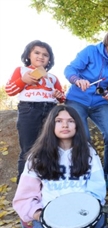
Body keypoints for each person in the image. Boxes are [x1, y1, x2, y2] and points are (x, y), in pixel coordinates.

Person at [13, 105, 108, 228]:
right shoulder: (37, 157)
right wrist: (39, 215)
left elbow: (97, 188)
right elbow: (24, 197)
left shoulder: (89, 153)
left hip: (86, 215)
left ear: (77, 125)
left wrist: (86, 213)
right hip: (48, 217)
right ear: (50, 125)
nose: (65, 125)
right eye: (59, 121)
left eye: (70, 121)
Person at [64, 27, 108, 188]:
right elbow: (70, 69)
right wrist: (77, 80)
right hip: (77, 100)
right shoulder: (91, 51)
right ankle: (87, 174)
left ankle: (107, 175)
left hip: (100, 103)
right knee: (84, 137)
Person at [5, 40, 65, 183]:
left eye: (45, 55)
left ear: (49, 59)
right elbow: (10, 90)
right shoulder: (21, 71)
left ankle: (48, 183)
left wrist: (59, 95)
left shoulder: (52, 77)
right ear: (29, 55)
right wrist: (22, 81)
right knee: (28, 149)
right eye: (37, 53)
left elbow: (62, 97)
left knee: (50, 147)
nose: (41, 56)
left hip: (50, 110)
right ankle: (24, 187)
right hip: (29, 109)